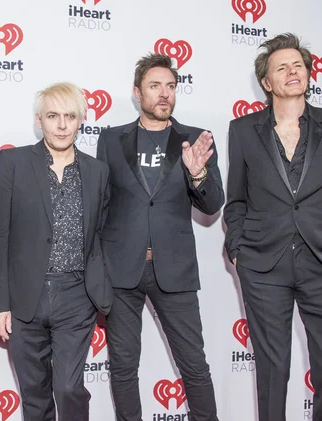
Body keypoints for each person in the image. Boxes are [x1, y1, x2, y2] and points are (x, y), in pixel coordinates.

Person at [224, 33, 322, 421]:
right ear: (267, 83)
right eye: (281, 67)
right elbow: (235, 201)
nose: (292, 71)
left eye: (298, 65)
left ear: (308, 74)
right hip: (262, 266)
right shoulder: (242, 130)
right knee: (272, 372)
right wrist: (238, 252)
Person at [96, 53, 223, 421]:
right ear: (138, 93)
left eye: (170, 86)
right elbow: (101, 204)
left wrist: (197, 175)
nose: (164, 94)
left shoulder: (195, 139)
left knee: (195, 366)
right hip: (121, 271)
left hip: (175, 270)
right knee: (122, 368)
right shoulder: (111, 139)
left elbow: (213, 204)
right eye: (155, 86)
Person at [0, 82, 113, 421]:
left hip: (76, 295)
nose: (61, 124)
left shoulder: (98, 172)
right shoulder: (13, 162)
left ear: (80, 121)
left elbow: (101, 232)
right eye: (53, 116)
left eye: (70, 116)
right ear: (39, 120)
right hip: (25, 295)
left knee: (69, 389)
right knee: (35, 396)